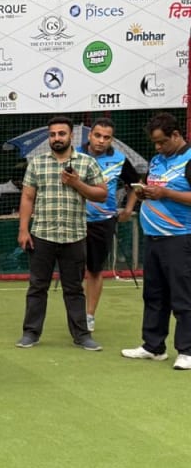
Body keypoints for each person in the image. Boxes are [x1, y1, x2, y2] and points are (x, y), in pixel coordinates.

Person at [16, 116, 107, 350]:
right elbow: (27, 197)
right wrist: (23, 230)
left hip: (74, 235)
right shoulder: (37, 163)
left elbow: (102, 194)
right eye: (53, 134)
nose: (57, 138)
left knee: (74, 289)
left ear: (71, 136)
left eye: (61, 134)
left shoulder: (87, 163)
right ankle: (30, 333)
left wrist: (77, 183)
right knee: (37, 287)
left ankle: (82, 335)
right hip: (42, 234)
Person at [122, 113, 191, 370]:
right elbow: (151, 187)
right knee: (153, 294)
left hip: (180, 238)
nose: (158, 147)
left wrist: (165, 193)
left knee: (183, 296)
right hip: (153, 237)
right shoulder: (156, 160)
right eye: (155, 143)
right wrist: (143, 194)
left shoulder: (189, 159)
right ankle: (153, 346)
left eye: (162, 142)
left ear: (176, 135)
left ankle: (187, 351)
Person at [81, 117, 139, 332]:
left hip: (103, 222)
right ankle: (75, 313)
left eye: (106, 137)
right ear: (89, 135)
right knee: (73, 271)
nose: (101, 141)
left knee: (95, 270)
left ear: (111, 139)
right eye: (97, 135)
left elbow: (136, 185)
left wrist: (128, 209)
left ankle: (89, 315)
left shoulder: (120, 160)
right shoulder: (74, 155)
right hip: (74, 222)